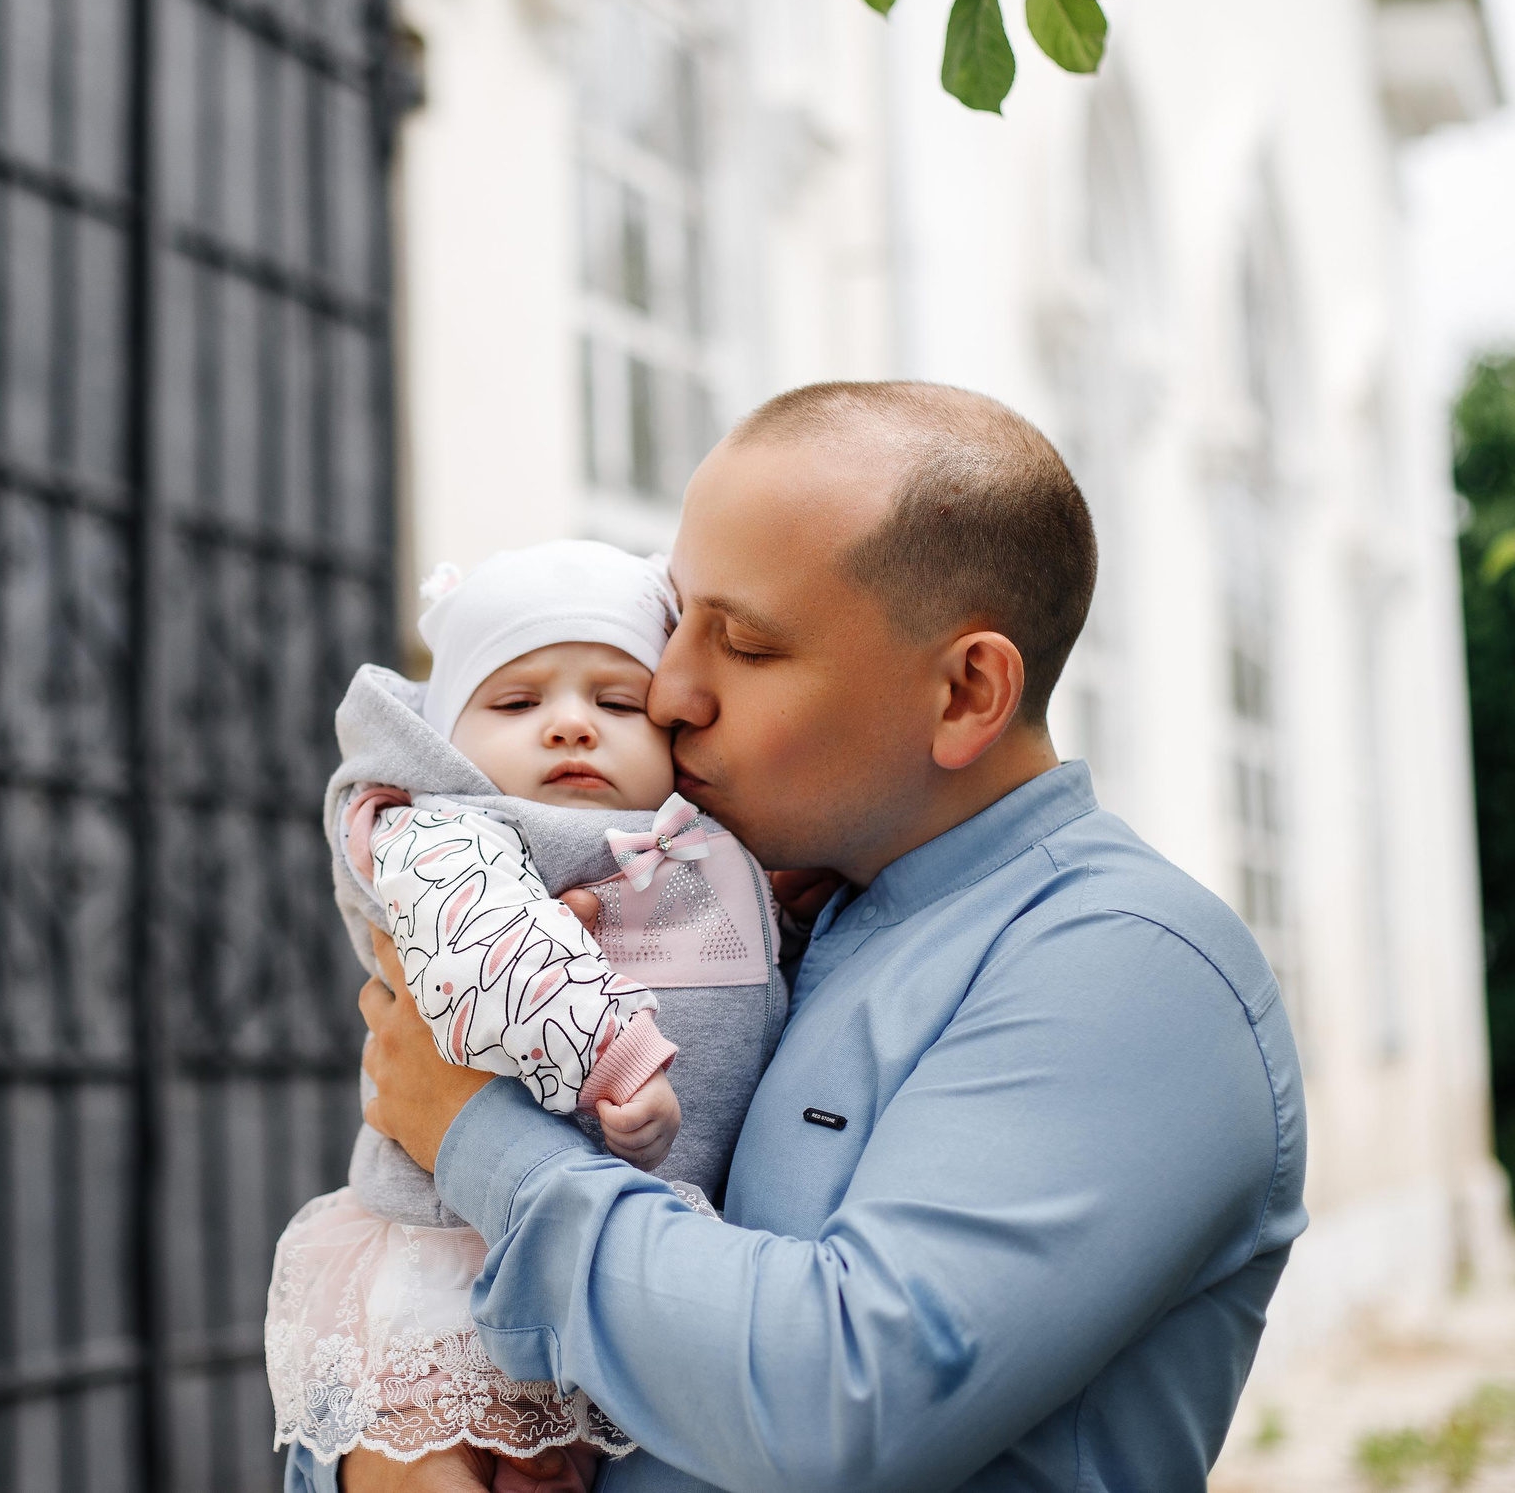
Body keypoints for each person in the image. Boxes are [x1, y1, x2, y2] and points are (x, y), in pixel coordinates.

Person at [302, 381, 1308, 1492]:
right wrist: (378, 1449)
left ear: (967, 692)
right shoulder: (753, 907)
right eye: (673, 621)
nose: (671, 690)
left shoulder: (1131, 968)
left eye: (741, 643)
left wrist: (472, 1132)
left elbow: (837, 1401)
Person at [268, 541, 788, 1490]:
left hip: (613, 1269)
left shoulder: (692, 847)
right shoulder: (447, 832)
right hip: (461, 1271)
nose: (571, 727)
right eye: (518, 702)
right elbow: (494, 952)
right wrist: (618, 1058)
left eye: (617, 701)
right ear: (449, 742)